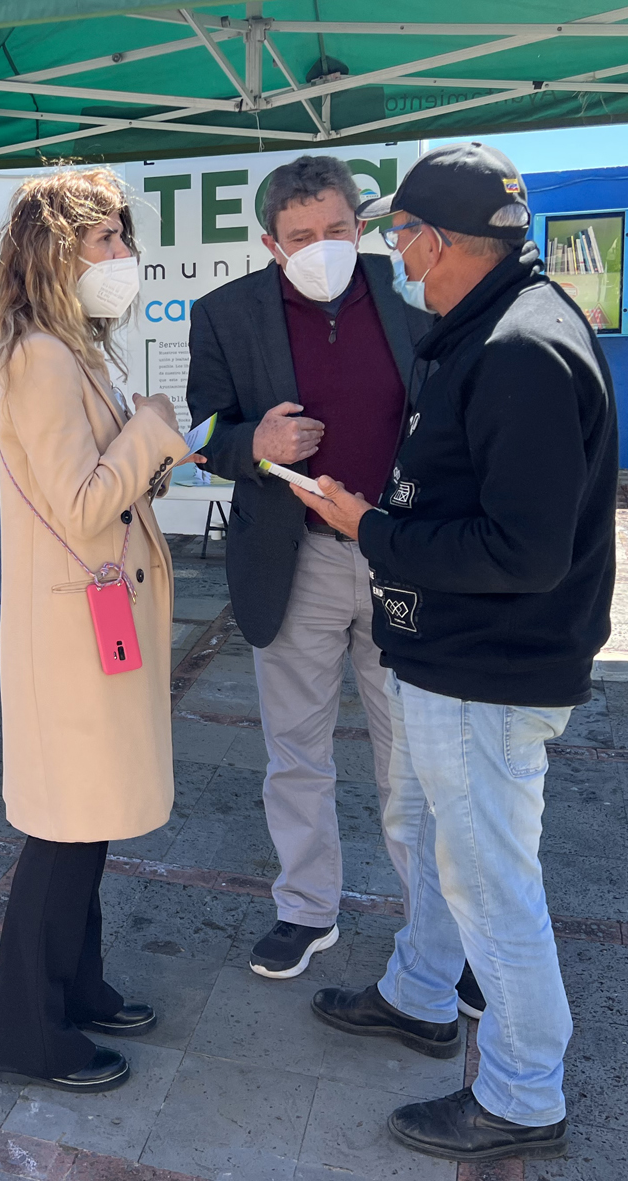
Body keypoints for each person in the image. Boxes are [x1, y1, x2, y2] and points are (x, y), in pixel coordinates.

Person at [293, 142, 618, 1164]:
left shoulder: (520, 348)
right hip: (448, 656)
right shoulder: (487, 325)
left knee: (487, 877)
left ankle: (522, 1092)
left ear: (433, 241)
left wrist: (365, 528)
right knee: (420, 824)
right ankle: (419, 991)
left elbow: (521, 551)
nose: (389, 251)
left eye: (394, 234)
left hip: (491, 666)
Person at [0, 168, 195, 1094]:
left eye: (122, 238)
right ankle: (30, 1030)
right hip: (72, 634)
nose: (123, 256)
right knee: (64, 832)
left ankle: (80, 986)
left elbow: (99, 487)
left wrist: (147, 448)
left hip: (91, 622)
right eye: (105, 240)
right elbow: (82, 501)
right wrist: (151, 431)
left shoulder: (72, 346)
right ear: (56, 250)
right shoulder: (40, 356)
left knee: (88, 822)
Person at [186, 155, 438, 984]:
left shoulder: (412, 292)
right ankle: (306, 908)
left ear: (359, 227)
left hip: (402, 555)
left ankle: (438, 931)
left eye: (337, 230)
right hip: (295, 560)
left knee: (413, 755)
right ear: (270, 243)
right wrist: (253, 444)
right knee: (296, 749)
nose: (322, 247)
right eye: (301, 237)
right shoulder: (225, 315)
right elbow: (207, 433)